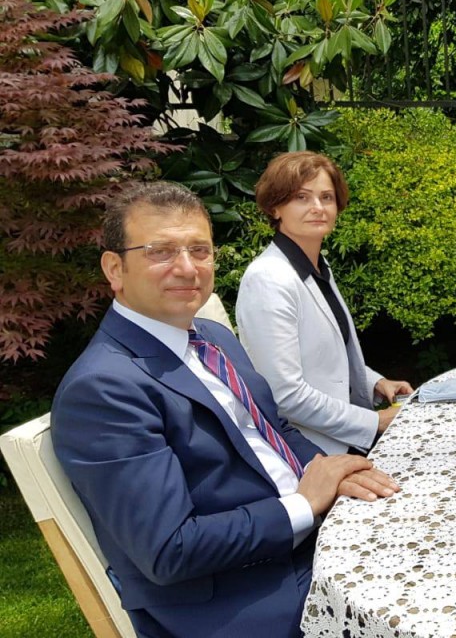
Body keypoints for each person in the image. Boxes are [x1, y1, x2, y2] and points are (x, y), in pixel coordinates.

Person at [51, 181, 399, 638]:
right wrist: (303, 503)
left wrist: (331, 470)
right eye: (161, 252)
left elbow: (273, 429)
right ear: (115, 268)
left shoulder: (214, 339)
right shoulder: (103, 389)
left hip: (303, 545)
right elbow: (169, 549)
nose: (186, 268)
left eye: (200, 250)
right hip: (239, 599)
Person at [237, 152, 412, 456]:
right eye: (302, 197)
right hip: (309, 453)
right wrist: (377, 421)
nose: (318, 208)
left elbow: (324, 358)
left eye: (327, 197)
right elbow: (285, 395)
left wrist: (374, 382)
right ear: (276, 207)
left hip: (342, 438)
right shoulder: (268, 279)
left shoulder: (316, 265)